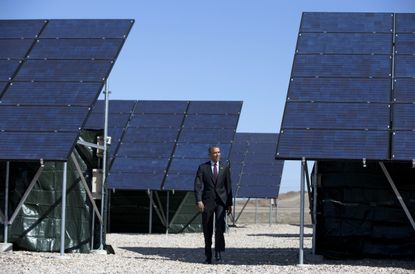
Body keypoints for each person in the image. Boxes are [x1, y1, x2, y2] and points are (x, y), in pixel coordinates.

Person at [194, 146, 233, 264]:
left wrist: (229, 203)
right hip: (207, 201)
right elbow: (198, 185)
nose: (217, 155)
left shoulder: (225, 167)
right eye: (215, 153)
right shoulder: (203, 168)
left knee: (220, 227)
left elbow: (228, 186)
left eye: (219, 152)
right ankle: (208, 255)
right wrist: (199, 200)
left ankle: (218, 253)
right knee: (207, 228)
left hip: (221, 201)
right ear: (210, 154)